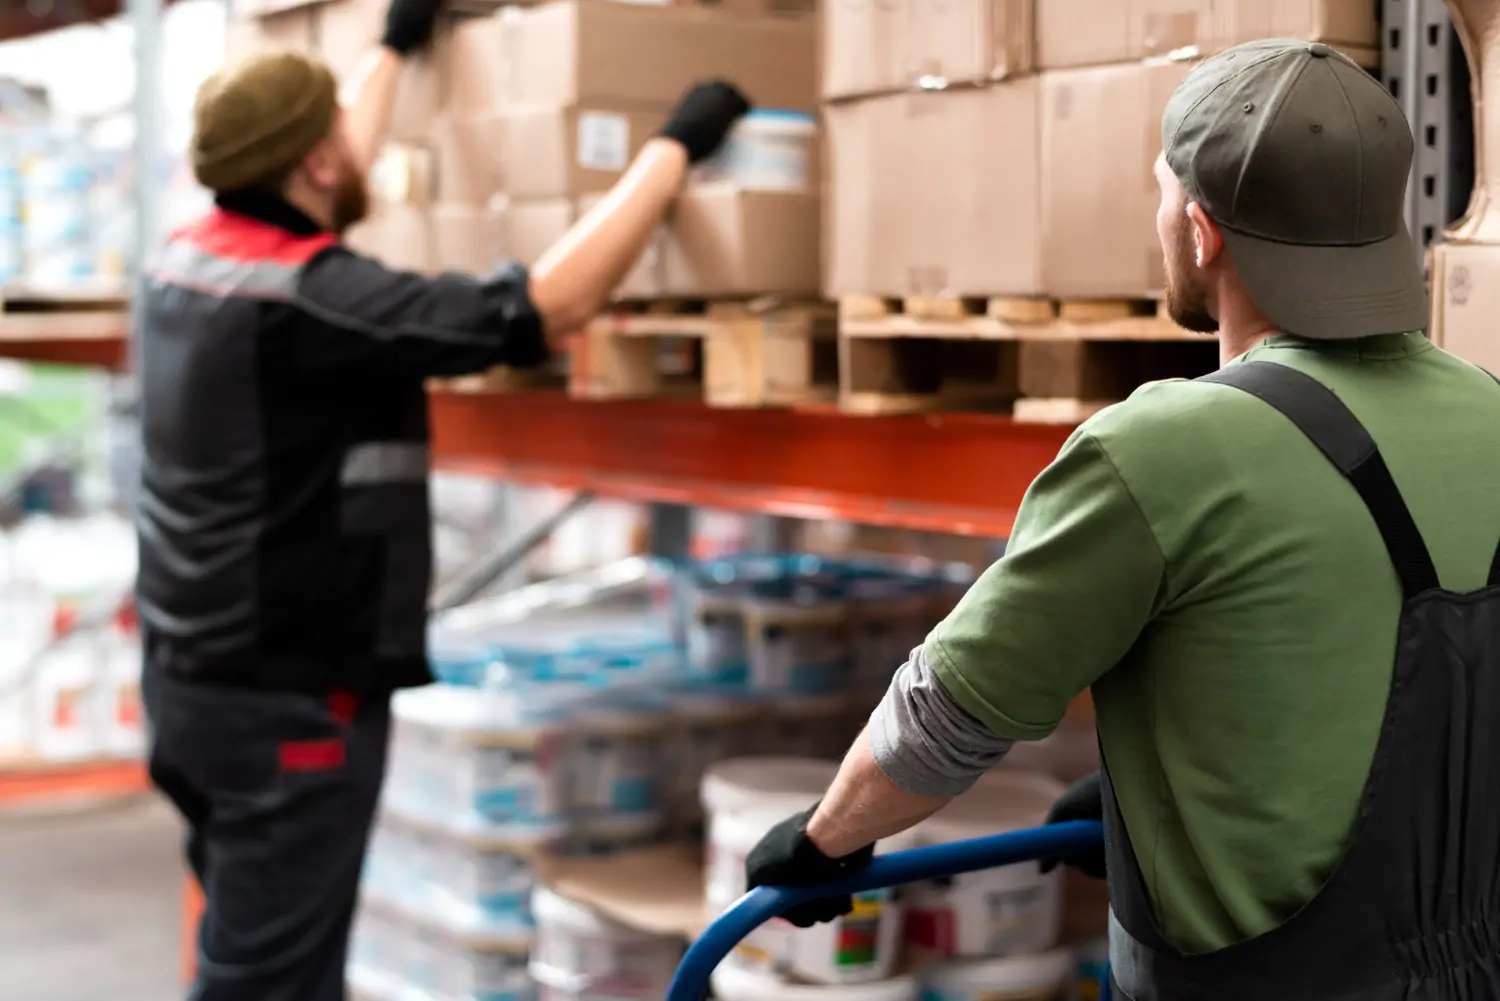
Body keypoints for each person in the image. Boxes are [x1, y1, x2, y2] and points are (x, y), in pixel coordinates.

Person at [745, 38, 1500, 1000]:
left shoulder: (1161, 450)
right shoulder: (1493, 410)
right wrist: (1172, 807)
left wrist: (824, 838)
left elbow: (947, 717)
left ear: (1201, 231)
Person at [136, 0, 750, 996]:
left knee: (256, 940)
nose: (350, 140)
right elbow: (546, 308)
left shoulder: (186, 257)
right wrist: (675, 150)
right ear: (318, 161)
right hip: (291, 696)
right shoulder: (318, 298)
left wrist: (391, 46)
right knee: (270, 979)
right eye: (337, 130)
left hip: (192, 687)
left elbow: (325, 172)